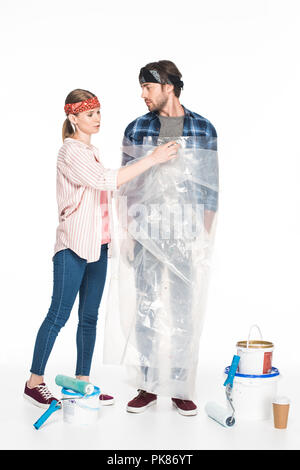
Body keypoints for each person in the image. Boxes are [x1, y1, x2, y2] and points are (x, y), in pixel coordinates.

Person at [23, 88, 179, 409]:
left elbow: (107, 193)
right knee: (58, 315)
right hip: (72, 247)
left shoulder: (91, 151)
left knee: (89, 317)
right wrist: (152, 159)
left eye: (98, 113)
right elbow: (106, 181)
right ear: (73, 117)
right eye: (90, 114)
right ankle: (34, 381)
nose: (97, 119)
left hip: (100, 245)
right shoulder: (70, 151)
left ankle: (83, 382)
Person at [121, 61, 218, 416]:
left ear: (169, 87)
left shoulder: (204, 128)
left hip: (185, 231)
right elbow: (128, 185)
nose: (143, 94)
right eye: (142, 87)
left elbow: (210, 189)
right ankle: (147, 386)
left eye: (148, 87)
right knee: (146, 308)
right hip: (146, 229)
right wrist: (129, 234)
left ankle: (179, 386)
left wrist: (203, 238)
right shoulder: (137, 128)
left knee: (182, 312)